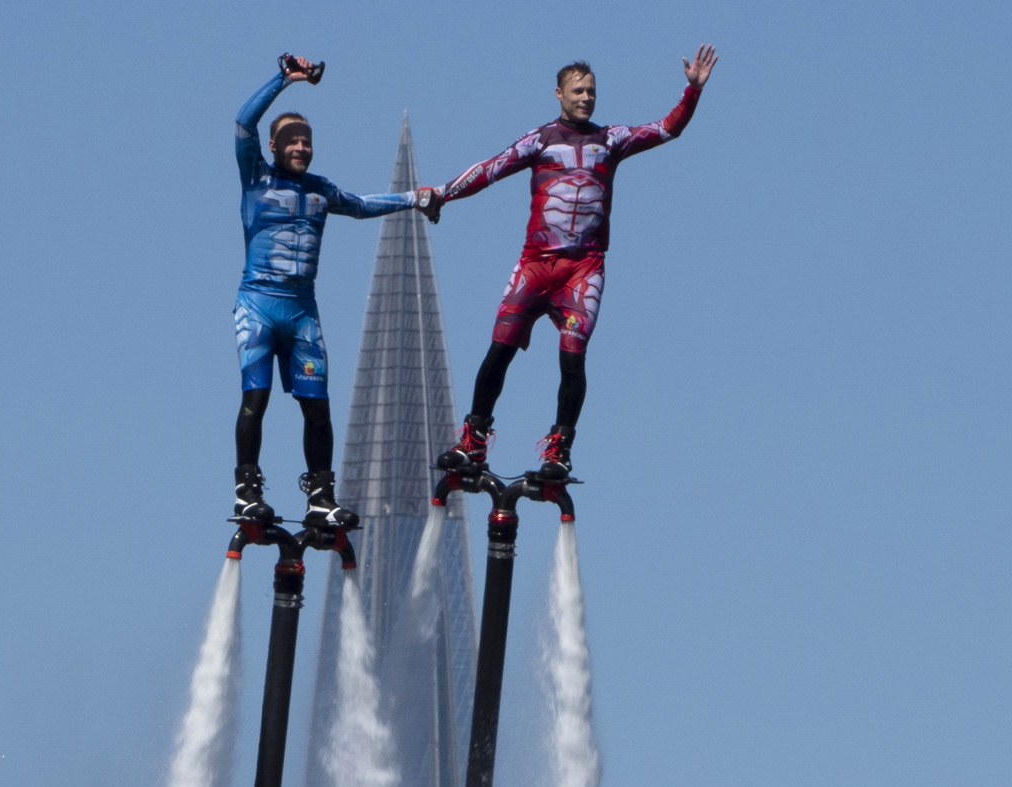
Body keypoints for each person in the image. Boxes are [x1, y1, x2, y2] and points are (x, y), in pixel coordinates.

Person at [433, 46, 718, 479]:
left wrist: (692, 91)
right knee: (499, 351)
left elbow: (666, 129)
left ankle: (558, 450)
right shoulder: (540, 139)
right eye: (578, 91)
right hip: (536, 265)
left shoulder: (612, 140)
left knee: (572, 358)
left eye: (591, 91)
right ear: (559, 95)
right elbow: (491, 169)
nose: (586, 97)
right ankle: (473, 441)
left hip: (583, 270)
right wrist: (444, 193)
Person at [233, 55, 436, 526]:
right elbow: (243, 121)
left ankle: (320, 496)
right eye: (291, 140)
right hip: (258, 306)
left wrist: (415, 198)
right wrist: (283, 81)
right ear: (274, 146)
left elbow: (363, 206)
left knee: (317, 407)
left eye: (306, 141)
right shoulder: (256, 178)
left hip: (303, 313)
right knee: (255, 399)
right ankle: (246, 489)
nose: (301, 147)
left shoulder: (322, 191)